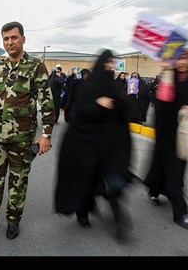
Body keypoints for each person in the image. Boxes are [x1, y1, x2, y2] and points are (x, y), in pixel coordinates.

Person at [0, 21, 55, 240]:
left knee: (18, 183)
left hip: (22, 140)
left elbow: (47, 103)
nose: (10, 42)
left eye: (14, 37)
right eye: (6, 39)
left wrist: (46, 134)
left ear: (23, 39)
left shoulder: (36, 67)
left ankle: (13, 221)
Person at [54, 50, 133, 240]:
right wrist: (98, 104)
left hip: (109, 148)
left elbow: (125, 110)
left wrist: (117, 103)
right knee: (85, 182)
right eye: (106, 63)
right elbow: (79, 113)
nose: (110, 66)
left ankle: (119, 224)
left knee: (112, 186)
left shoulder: (113, 87)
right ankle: (83, 213)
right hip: (86, 146)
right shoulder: (88, 87)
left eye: (112, 63)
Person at [144, 50, 188, 230]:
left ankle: (154, 189)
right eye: (180, 58)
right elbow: (161, 105)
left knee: (173, 170)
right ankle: (180, 212)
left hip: (181, 136)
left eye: (186, 59)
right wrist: (166, 72)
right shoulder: (168, 80)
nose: (183, 62)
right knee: (172, 174)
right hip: (166, 135)